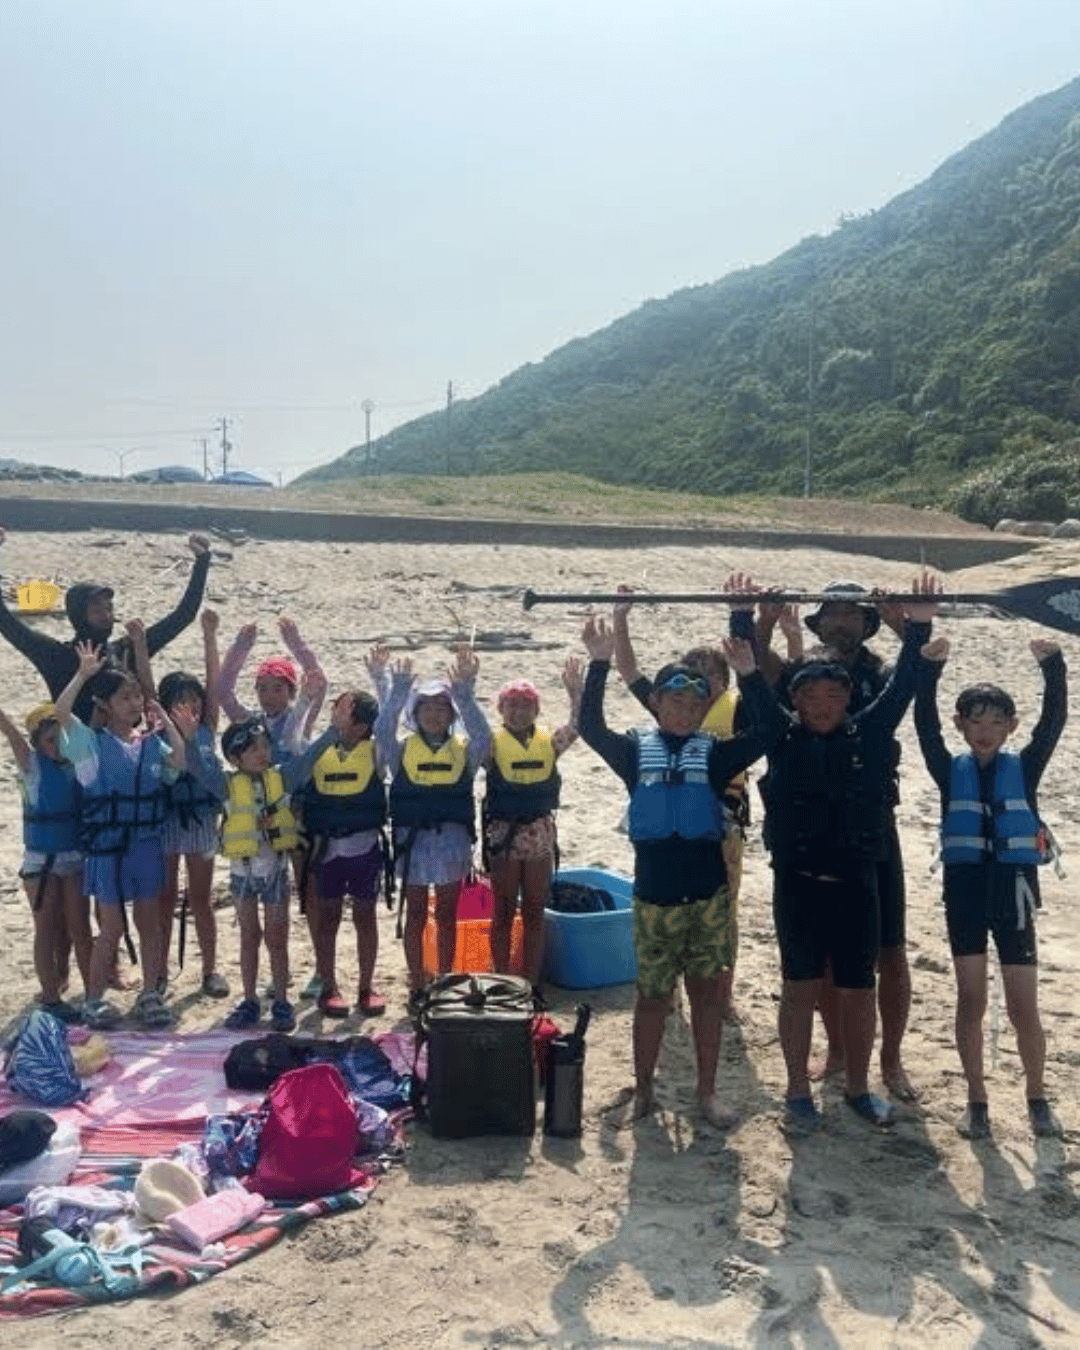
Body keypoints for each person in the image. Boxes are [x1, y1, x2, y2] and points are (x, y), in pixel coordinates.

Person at [579, 585, 788, 1127]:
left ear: (704, 709)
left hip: (707, 898)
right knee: (651, 999)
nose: (684, 712)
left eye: (695, 705)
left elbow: (772, 729)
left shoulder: (715, 756)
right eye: (675, 702)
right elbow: (590, 727)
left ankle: (707, 1093)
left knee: (706, 998)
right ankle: (645, 1091)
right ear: (656, 703)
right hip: (654, 899)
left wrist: (750, 674)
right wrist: (599, 664)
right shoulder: (633, 752)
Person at [744, 574, 939, 1132]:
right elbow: (755, 681)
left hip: (863, 867)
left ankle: (866, 1078)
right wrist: (748, 619)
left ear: (850, 698)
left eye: (833, 696)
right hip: (800, 881)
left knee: (867, 976)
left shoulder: (870, 721)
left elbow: (906, 685)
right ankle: (800, 1087)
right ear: (794, 700)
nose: (822, 705)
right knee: (801, 983)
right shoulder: (782, 734)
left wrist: (917, 624)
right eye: (810, 697)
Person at [914, 635, 1066, 1139]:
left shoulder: (1026, 767)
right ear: (961, 725)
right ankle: (976, 1099)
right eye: (976, 723)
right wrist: (929, 670)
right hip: (965, 894)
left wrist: (1053, 666)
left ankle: (1037, 1096)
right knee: (971, 999)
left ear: (1010, 727)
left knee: (1024, 1007)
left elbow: (1053, 722)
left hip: (1014, 893)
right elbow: (924, 726)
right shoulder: (947, 769)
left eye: (996, 723)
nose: (985, 732)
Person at [53, 642, 199, 1030]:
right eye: (124, 697)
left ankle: (150, 993)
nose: (134, 703)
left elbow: (178, 764)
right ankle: (94, 1000)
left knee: (149, 923)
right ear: (104, 704)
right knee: (112, 928)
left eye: (136, 696)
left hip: (145, 846)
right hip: (108, 850)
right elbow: (61, 713)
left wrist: (169, 724)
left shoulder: (150, 743)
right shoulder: (90, 745)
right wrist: (82, 675)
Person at [190, 686, 344, 1033]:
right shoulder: (226, 785)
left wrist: (333, 731)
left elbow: (311, 757)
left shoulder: (283, 777)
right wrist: (187, 738)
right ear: (235, 758)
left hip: (275, 872)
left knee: (277, 938)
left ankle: (282, 1002)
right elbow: (197, 768)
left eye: (264, 746)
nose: (262, 753)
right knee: (249, 936)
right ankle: (249, 1000)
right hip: (242, 875)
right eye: (253, 749)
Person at [217, 616, 327, 999]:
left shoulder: (300, 718)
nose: (268, 695)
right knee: (272, 901)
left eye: (277, 688)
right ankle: (280, 973)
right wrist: (240, 647)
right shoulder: (251, 724)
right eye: (262, 688)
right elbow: (223, 693)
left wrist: (295, 643)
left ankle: (321, 969)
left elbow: (319, 681)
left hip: (298, 817)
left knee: (309, 893)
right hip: (258, 827)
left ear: (291, 691)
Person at [0, 528, 212, 724]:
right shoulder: (56, 656)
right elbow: (6, 622)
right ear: (79, 615)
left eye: (109, 608)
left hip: (128, 748)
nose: (106, 615)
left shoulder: (126, 650)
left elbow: (182, 617)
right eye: (97, 610)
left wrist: (202, 561)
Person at [376, 645, 490, 1007]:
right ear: (416, 713)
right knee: (415, 913)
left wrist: (465, 694)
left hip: (452, 842)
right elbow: (382, 730)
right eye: (426, 707)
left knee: (446, 914)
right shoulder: (402, 751)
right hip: (414, 844)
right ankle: (417, 980)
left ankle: (443, 980)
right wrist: (398, 690)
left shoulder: (463, 750)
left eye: (442, 708)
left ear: (451, 714)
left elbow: (484, 737)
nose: (434, 714)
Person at [482, 662, 582, 987]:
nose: (518, 712)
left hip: (539, 833)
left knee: (535, 910)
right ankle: (502, 979)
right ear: (501, 709)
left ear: (537, 710)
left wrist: (575, 693)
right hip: (504, 835)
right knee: (503, 910)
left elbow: (578, 726)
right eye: (511, 705)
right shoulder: (490, 744)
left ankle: (532, 982)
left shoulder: (548, 742)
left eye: (526, 705)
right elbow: (471, 727)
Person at [297, 689, 389, 1018]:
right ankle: (329, 986)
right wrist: (308, 702)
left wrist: (386, 684)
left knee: (365, 916)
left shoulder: (376, 752)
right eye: (335, 711)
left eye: (344, 715)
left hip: (364, 849)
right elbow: (295, 749)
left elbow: (388, 724)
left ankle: (366, 986)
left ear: (363, 726)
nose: (336, 718)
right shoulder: (319, 750)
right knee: (328, 918)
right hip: (327, 851)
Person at [0, 701, 92, 1020]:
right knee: (47, 928)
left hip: (74, 857)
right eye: (51, 740)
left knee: (80, 928)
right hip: (41, 863)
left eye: (63, 739)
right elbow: (10, 732)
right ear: (37, 743)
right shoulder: (31, 765)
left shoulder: (78, 765)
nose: (58, 746)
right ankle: (51, 998)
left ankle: (92, 996)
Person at [154, 609, 228, 999]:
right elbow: (147, 688)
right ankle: (159, 973)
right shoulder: (158, 731)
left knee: (201, 900)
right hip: (167, 821)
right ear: (166, 706)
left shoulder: (207, 727)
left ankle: (210, 971)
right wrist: (139, 644)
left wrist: (209, 635)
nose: (189, 707)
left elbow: (215, 684)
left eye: (193, 700)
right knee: (164, 900)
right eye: (180, 701)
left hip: (200, 820)